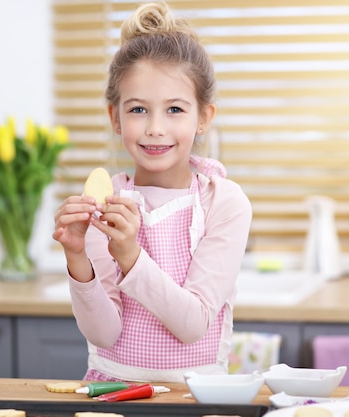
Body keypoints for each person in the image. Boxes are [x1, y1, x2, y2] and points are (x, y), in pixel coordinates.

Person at [52, 1, 252, 383]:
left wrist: (129, 254)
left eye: (175, 109)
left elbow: (192, 324)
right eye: (138, 110)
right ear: (115, 117)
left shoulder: (223, 202)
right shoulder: (104, 203)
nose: (155, 128)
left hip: (195, 396)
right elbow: (103, 334)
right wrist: (77, 257)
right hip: (109, 391)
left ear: (203, 118)